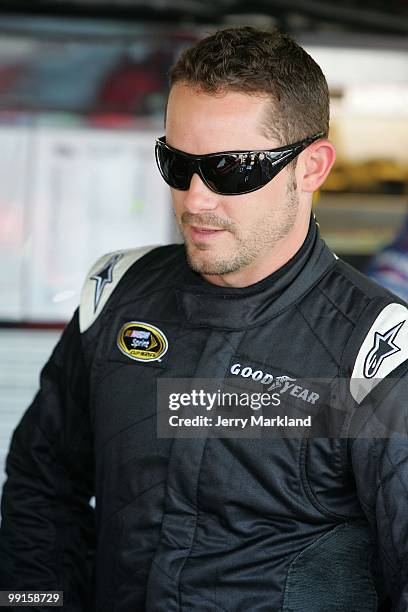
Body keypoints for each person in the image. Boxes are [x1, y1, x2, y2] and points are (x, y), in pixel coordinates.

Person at [0, 25, 407, 612]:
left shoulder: (378, 349)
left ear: (312, 168)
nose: (195, 199)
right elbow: (42, 488)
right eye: (177, 163)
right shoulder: (116, 294)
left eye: (231, 169)